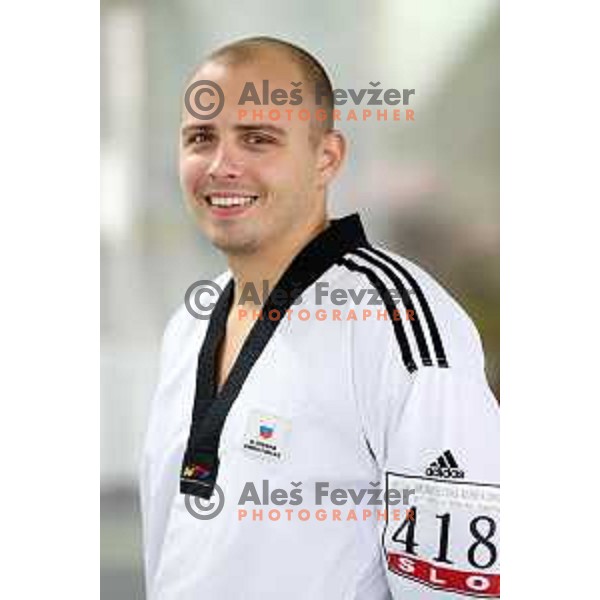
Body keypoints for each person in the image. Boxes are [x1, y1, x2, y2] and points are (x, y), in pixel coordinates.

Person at [140, 36, 500, 599]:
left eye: (258, 139)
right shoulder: (190, 323)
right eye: (200, 138)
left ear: (326, 158)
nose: (221, 165)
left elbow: (463, 584)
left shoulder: (398, 323)